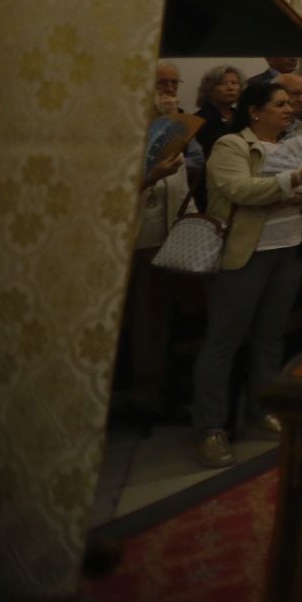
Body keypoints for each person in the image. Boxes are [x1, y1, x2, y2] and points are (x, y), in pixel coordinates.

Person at [193, 81, 302, 467]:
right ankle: (210, 429)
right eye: (280, 104)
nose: (290, 110)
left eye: (291, 104)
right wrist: (293, 182)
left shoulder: (291, 147)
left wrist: (299, 190)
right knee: (224, 339)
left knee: (270, 337)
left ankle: (260, 411)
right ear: (255, 111)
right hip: (244, 252)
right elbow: (240, 189)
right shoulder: (231, 146)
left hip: (287, 250)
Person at [122, 62, 200, 415]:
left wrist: (195, 223)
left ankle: (156, 387)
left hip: (168, 235)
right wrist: (153, 174)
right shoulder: (126, 128)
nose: (169, 90)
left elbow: (181, 183)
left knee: (158, 318)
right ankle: (139, 390)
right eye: (161, 84)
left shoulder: (176, 128)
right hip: (136, 236)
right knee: (139, 319)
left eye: (173, 83)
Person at [192, 64, 245, 192]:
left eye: (234, 83)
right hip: (210, 182)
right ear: (209, 89)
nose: (230, 87)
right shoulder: (199, 119)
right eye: (222, 83)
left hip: (241, 177)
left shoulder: (243, 116)